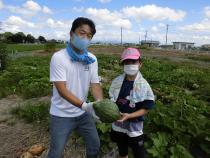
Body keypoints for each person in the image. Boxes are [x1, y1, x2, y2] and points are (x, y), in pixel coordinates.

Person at [48, 17, 103, 158]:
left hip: (82, 114)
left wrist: (100, 105)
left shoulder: (91, 59)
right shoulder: (59, 57)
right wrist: (84, 106)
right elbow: (62, 89)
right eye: (82, 33)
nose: (85, 38)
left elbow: (95, 84)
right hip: (61, 115)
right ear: (71, 33)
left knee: (94, 145)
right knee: (56, 152)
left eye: (89, 36)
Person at [109, 48, 155, 158]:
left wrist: (130, 115)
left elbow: (147, 107)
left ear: (140, 64)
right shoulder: (116, 82)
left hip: (135, 125)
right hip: (118, 123)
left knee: (139, 152)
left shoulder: (144, 85)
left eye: (133, 62)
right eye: (126, 62)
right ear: (123, 65)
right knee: (122, 149)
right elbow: (111, 102)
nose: (130, 65)